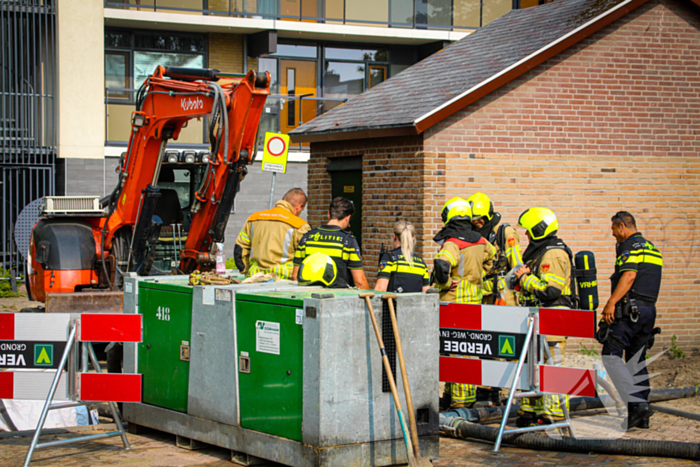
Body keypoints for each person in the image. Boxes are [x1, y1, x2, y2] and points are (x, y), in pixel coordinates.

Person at [601, 211, 662, 430]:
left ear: (622, 227)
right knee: (636, 361)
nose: (614, 235)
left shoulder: (629, 246)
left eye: (614, 230)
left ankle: (637, 405)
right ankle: (641, 415)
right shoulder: (652, 248)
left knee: (610, 355)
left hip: (630, 312)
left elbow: (629, 276)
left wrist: (611, 303)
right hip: (648, 312)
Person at [514, 207, 574, 426]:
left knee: (554, 364)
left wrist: (525, 280)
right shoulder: (541, 252)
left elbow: (551, 290)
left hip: (554, 315)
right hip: (538, 316)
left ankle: (555, 414)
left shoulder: (553, 253)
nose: (527, 236)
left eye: (529, 231)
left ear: (539, 229)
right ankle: (531, 409)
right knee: (533, 363)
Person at [433, 197, 495, 408]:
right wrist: (479, 274)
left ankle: (461, 402)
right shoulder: (481, 240)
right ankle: (454, 396)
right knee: (468, 349)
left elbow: (441, 266)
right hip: (474, 303)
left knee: (455, 350)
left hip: (453, 304)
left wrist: (447, 283)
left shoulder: (452, 243)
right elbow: (493, 258)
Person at [292, 197, 370, 289]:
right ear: (347, 218)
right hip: (338, 298)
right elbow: (360, 282)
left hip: (309, 296)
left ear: (328, 214)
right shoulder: (348, 241)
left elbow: (295, 276)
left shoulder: (306, 238)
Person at [234, 188, 310, 280]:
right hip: (284, 280)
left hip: (255, 278)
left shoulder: (253, 218)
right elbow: (307, 257)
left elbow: (240, 249)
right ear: (299, 207)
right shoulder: (300, 225)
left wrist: (246, 271)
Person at [467, 192, 523, 306]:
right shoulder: (474, 235)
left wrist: (505, 287)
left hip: (503, 295)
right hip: (481, 295)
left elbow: (517, 266)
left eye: (479, 218)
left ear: (488, 215)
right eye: (473, 220)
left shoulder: (505, 233)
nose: (476, 222)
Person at [375, 220, 430, 293]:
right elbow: (426, 292)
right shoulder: (421, 263)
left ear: (394, 236)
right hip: (416, 304)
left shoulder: (389, 258)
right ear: (413, 238)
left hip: (394, 304)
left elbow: (380, 289)